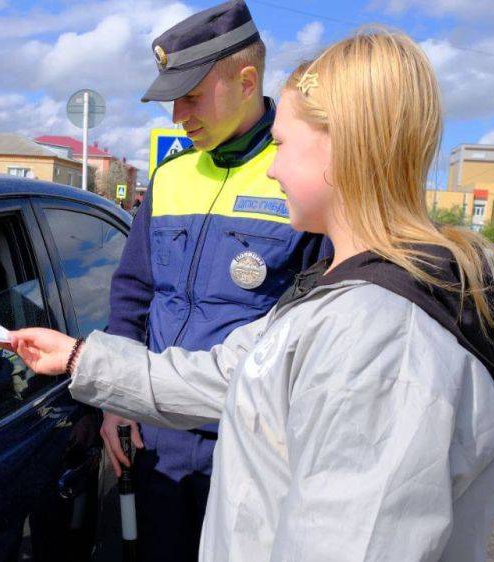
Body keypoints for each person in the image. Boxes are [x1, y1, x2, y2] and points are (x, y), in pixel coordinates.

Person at [7, 29, 494, 561]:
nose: (272, 168)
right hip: (171, 439)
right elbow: (229, 373)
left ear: (343, 149)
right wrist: (80, 358)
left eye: (282, 145)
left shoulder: (383, 348)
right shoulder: (341, 295)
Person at [103, 2, 327, 559]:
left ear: (247, 81)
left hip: (249, 445)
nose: (178, 113)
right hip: (154, 438)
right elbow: (133, 295)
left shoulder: (301, 176)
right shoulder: (172, 175)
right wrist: (117, 401)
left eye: (192, 95)